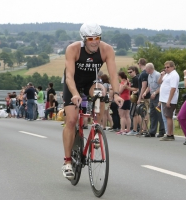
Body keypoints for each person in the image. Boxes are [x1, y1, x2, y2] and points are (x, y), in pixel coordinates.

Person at [62, 22, 124, 180]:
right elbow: (69, 76)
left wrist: (116, 93)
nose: (95, 41)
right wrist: (75, 94)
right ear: (84, 39)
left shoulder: (106, 50)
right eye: (91, 39)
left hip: (90, 82)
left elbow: (113, 74)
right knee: (71, 120)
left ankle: (96, 129)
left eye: (97, 37)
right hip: (73, 84)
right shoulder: (73, 49)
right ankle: (67, 162)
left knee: (100, 91)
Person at [158, 61, 179, 141]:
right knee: (165, 117)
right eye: (165, 67)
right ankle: (168, 133)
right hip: (163, 98)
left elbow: (173, 88)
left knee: (168, 117)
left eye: (168, 67)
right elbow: (160, 82)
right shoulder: (167, 74)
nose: (166, 69)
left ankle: (170, 134)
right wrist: (162, 75)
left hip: (169, 99)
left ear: (173, 67)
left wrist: (169, 101)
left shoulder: (174, 75)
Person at [143, 63, 165, 137]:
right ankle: (152, 131)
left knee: (159, 113)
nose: (145, 70)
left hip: (158, 95)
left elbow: (161, 86)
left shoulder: (157, 75)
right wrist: (145, 92)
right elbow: (149, 86)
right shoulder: (149, 76)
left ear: (149, 69)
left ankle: (162, 131)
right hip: (152, 96)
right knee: (152, 113)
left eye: (146, 69)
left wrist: (155, 93)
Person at [137, 58, 150, 134]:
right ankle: (143, 128)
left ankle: (144, 128)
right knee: (143, 111)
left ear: (140, 64)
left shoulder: (144, 73)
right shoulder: (144, 73)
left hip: (144, 96)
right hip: (144, 94)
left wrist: (140, 97)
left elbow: (143, 86)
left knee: (144, 111)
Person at [126, 66, 140, 136]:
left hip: (135, 97)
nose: (129, 74)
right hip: (136, 97)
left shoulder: (136, 78)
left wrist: (127, 87)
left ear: (134, 71)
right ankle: (138, 129)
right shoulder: (136, 78)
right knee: (136, 114)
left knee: (134, 114)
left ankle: (135, 129)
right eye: (128, 73)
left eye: (131, 72)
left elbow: (136, 88)